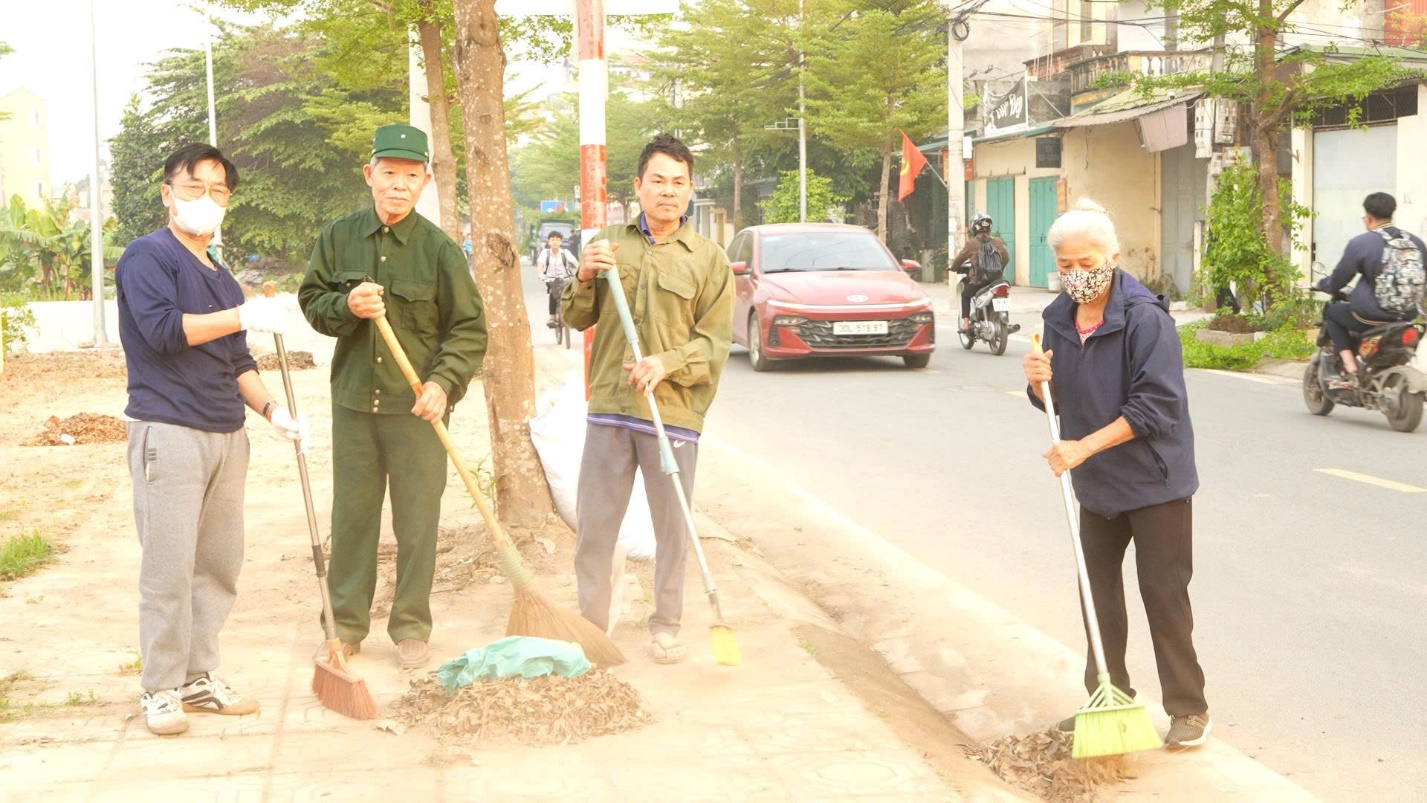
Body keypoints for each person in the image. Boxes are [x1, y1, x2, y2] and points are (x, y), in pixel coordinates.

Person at [116, 143, 308, 735]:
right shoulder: (147, 257)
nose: (206, 199)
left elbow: (236, 359)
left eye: (219, 190)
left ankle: (199, 678)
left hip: (228, 432)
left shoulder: (220, 274)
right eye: (194, 186)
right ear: (168, 192)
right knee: (169, 566)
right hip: (169, 431)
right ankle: (161, 688)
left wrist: (272, 410)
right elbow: (167, 332)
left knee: (218, 563)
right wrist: (243, 315)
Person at [1021, 199, 1211, 750]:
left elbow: (1158, 407)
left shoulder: (1145, 319)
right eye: (1066, 265)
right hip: (1097, 484)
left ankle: (1188, 708)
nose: (1077, 275)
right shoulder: (1057, 318)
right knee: (1097, 593)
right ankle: (1108, 698)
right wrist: (1037, 382)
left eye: (1087, 262)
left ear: (1113, 257)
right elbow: (1056, 401)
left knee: (1163, 592)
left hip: (1156, 483)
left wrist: (1084, 447)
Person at [298, 125, 488, 671]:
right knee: (353, 518)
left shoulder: (439, 250)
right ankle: (345, 626)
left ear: (425, 181)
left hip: (418, 410)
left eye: (410, 176)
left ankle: (410, 625)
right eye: (389, 174)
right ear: (369, 175)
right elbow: (312, 301)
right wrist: (345, 307)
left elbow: (469, 329)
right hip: (355, 405)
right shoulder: (339, 237)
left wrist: (442, 384)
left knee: (418, 518)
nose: (398, 186)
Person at [562, 133, 734, 664]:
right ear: (638, 187)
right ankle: (593, 628)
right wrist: (585, 275)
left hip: (674, 412)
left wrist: (666, 363)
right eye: (657, 181)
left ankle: (666, 626)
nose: (667, 192)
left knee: (672, 529)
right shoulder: (607, 243)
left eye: (678, 183)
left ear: (689, 191)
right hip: (611, 409)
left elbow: (715, 343)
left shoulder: (709, 260)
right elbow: (575, 317)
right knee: (595, 526)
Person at [1315, 192, 1425, 389]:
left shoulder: (1361, 243)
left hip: (1371, 315)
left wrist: (1322, 285)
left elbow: (1339, 280)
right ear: (1392, 214)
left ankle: (1351, 368)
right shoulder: (1416, 243)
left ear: (1368, 217)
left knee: (1333, 312)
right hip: (1407, 315)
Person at [950, 213, 1009, 332]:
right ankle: (1004, 321)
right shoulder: (997, 242)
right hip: (997, 281)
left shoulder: (972, 243)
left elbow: (960, 259)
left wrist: (953, 267)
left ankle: (966, 323)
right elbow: (1006, 259)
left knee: (965, 295)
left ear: (974, 227)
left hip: (979, 282)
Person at [536, 231, 577, 328]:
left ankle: (571, 316)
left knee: (570, 295)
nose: (555, 242)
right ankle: (552, 317)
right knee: (553, 295)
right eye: (552, 239)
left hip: (566, 278)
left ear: (561, 242)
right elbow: (540, 265)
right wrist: (541, 274)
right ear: (549, 242)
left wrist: (580, 272)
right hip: (551, 279)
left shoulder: (565, 253)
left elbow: (576, 263)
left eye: (557, 240)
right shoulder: (545, 253)